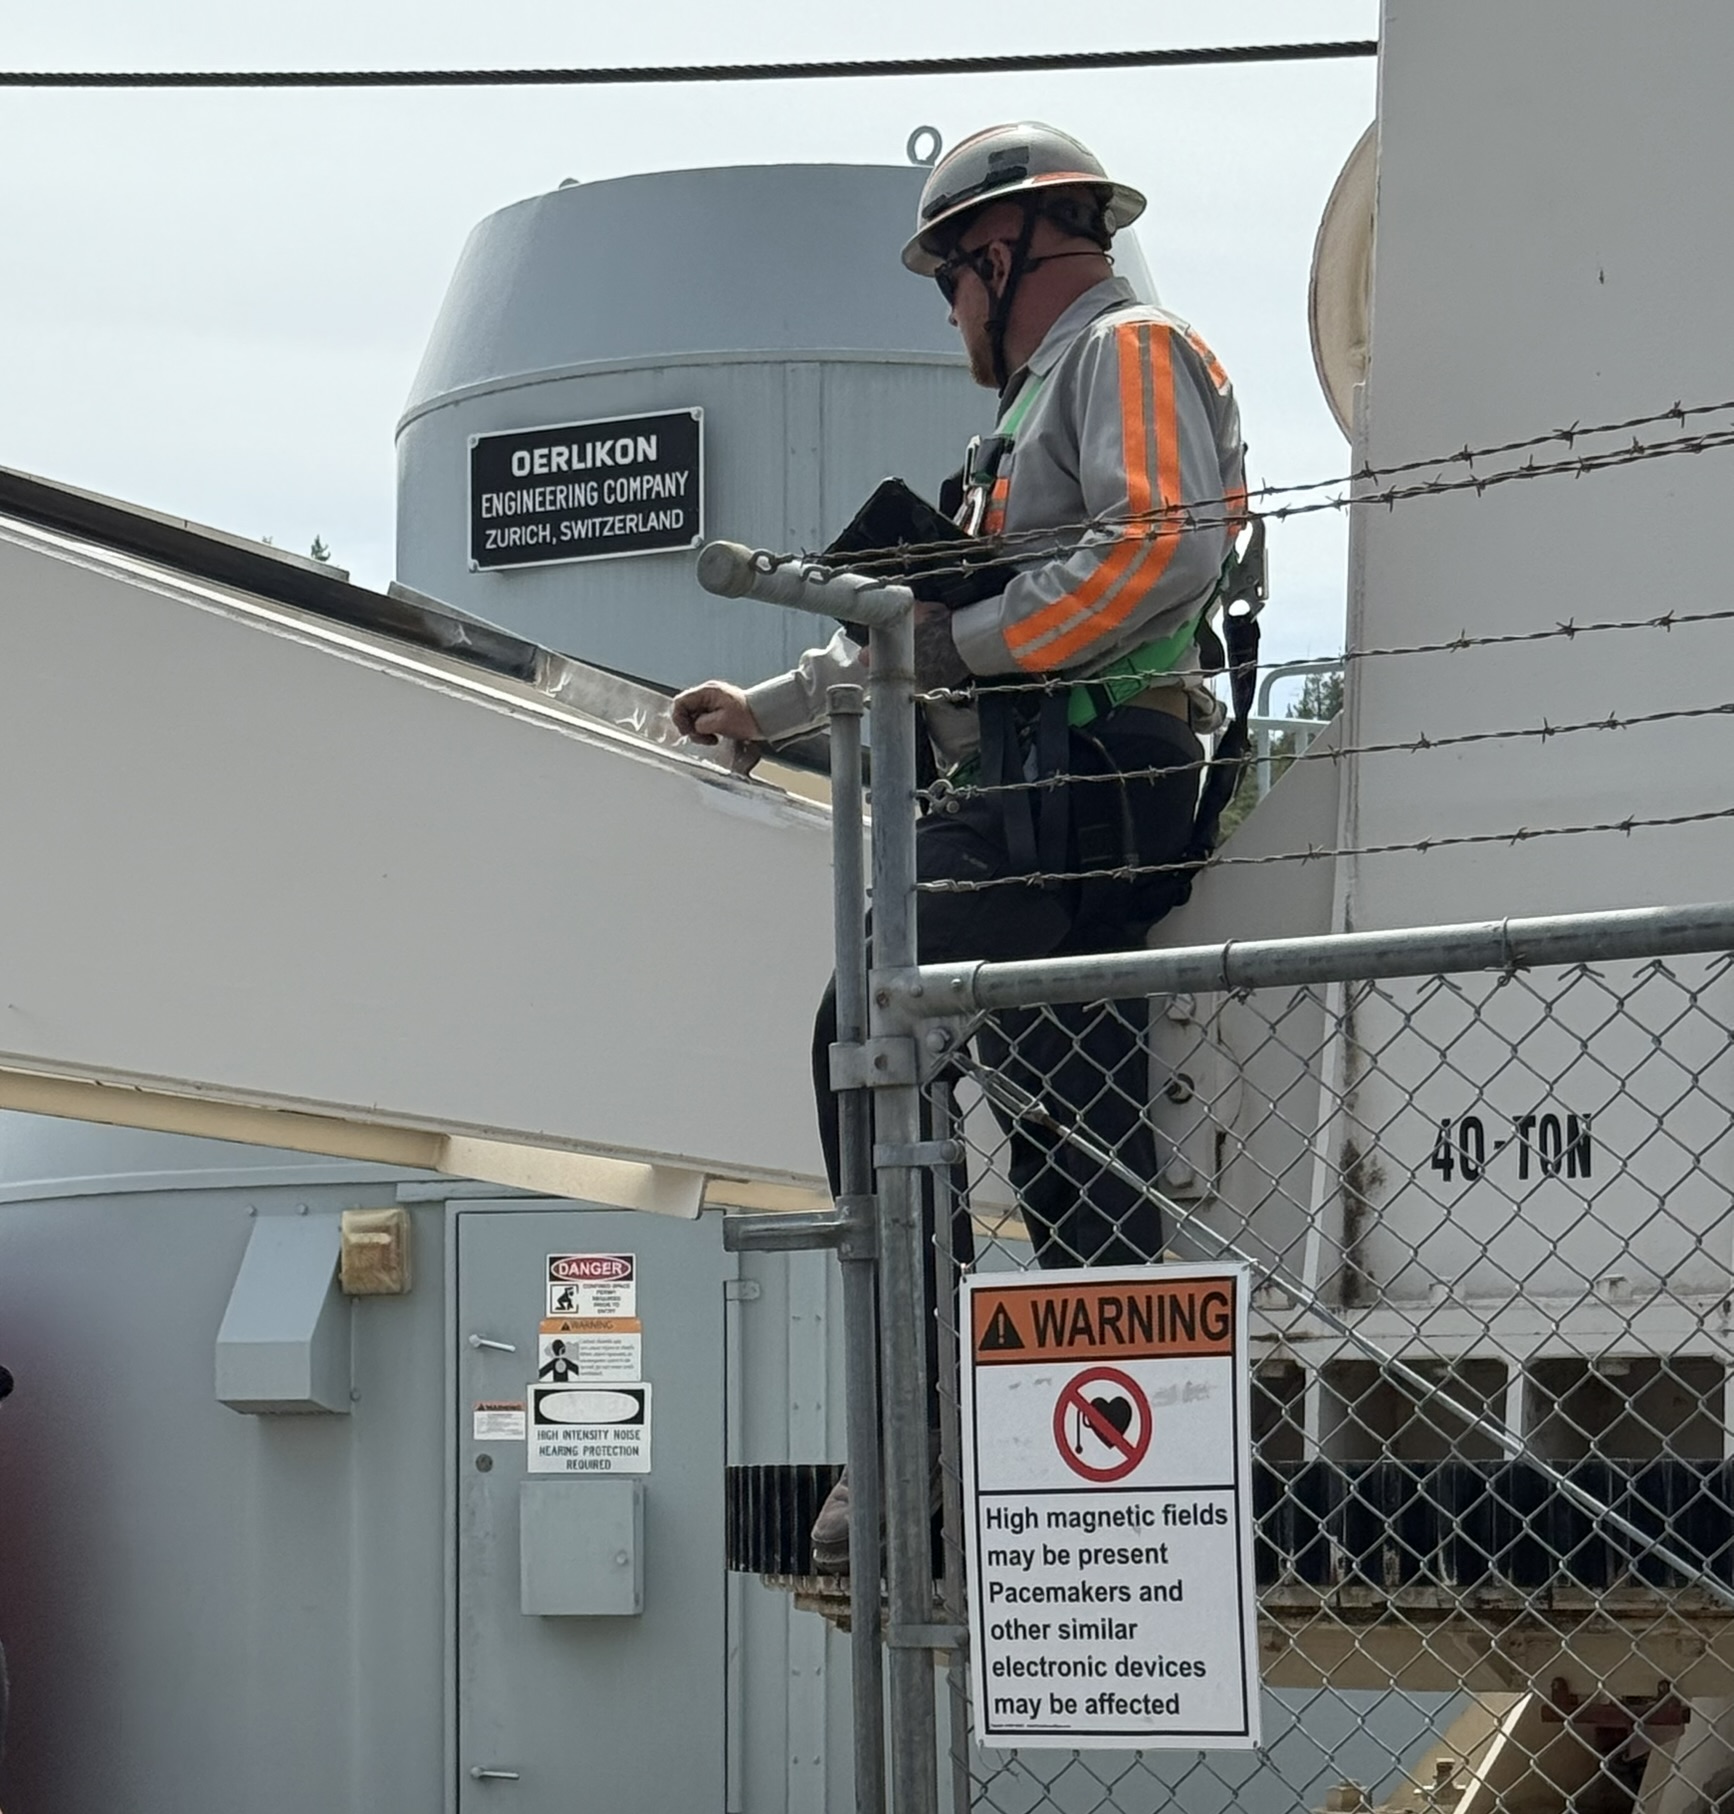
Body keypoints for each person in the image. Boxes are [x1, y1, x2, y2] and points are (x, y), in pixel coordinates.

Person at [673, 123, 1247, 1567]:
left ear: (1004, 251)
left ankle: (911, 1438)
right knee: (1069, 1134)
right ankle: (1103, 1462)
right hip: (1039, 785)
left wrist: (972, 644)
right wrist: (774, 705)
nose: (948, 314)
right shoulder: (1032, 410)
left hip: (1083, 772)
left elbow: (1154, 552)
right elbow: (910, 633)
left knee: (868, 1019)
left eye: (948, 278)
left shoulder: (1127, 350)